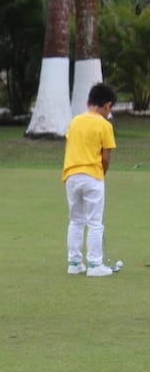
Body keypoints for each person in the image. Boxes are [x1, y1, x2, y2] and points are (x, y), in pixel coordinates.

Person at [63, 82, 117, 277]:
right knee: (95, 222)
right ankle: (95, 265)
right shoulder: (105, 125)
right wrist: (102, 174)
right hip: (93, 175)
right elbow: (106, 157)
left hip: (71, 176)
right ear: (107, 106)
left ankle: (74, 263)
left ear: (88, 102)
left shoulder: (75, 121)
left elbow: (69, 146)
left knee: (76, 221)